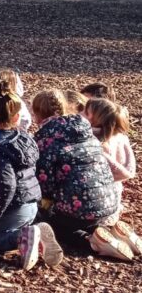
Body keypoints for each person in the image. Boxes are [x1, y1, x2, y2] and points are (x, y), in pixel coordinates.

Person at [32, 89, 131, 261]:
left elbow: (44, 185)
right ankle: (116, 233)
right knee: (83, 215)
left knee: (52, 224)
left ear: (37, 115)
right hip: (110, 205)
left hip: (81, 210)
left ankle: (91, 242)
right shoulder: (84, 131)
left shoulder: (44, 140)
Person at [0, 80, 57, 270]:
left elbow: (6, 184)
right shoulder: (25, 138)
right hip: (32, 204)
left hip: (15, 206)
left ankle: (23, 236)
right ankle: (30, 233)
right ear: (17, 116)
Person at [85, 98, 140, 254]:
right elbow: (129, 170)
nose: (80, 113)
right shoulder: (121, 137)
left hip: (92, 205)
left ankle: (102, 241)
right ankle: (122, 235)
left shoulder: (91, 140)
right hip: (114, 202)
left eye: (85, 112)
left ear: (95, 118)